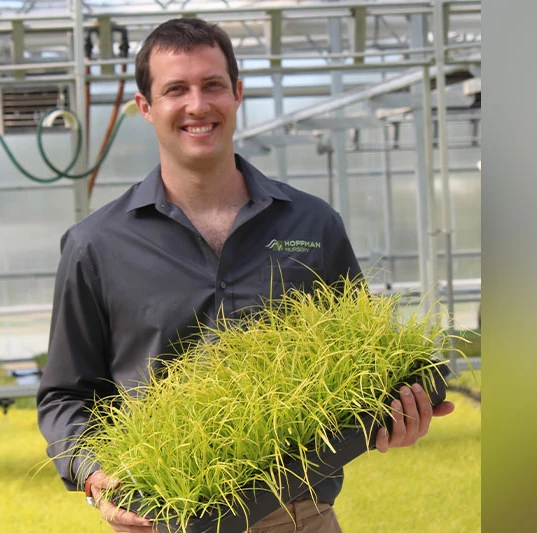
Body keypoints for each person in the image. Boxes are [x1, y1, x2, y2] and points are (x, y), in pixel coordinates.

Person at [37, 17, 454, 533]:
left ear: (236, 93)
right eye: (175, 90)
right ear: (145, 107)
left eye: (212, 85)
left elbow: (365, 363)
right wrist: (92, 473)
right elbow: (65, 394)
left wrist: (395, 412)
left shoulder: (312, 223)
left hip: (300, 518)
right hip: (166, 519)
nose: (197, 105)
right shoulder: (96, 244)